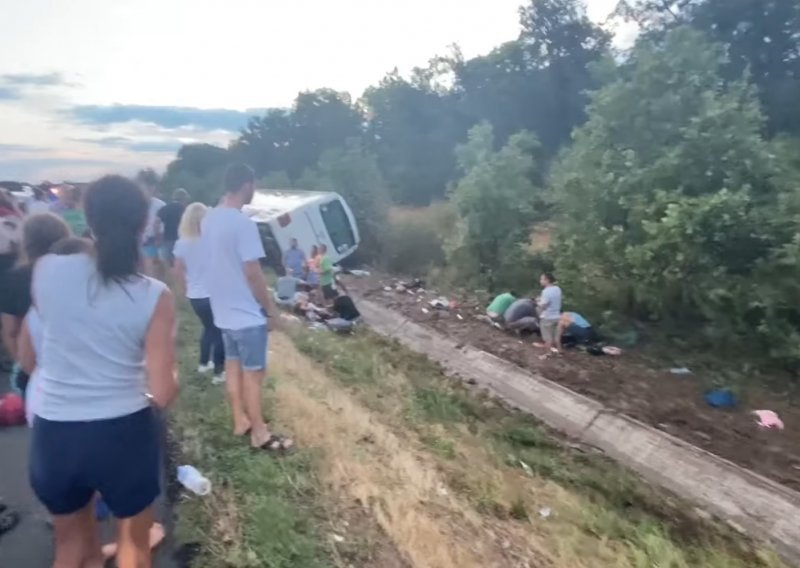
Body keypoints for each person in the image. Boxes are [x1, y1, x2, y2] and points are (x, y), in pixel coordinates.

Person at [27, 175, 178, 568]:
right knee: (134, 547)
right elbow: (162, 390)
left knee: (69, 547)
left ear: (87, 217)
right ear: (144, 223)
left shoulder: (45, 270)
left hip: (54, 430)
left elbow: (55, 333)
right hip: (121, 432)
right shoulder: (153, 295)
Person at [201, 163, 292, 452]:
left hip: (223, 313)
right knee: (253, 375)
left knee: (233, 368)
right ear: (247, 185)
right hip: (246, 315)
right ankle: (260, 433)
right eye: (254, 185)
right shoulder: (243, 224)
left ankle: (240, 420)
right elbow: (253, 273)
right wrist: (270, 311)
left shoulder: (208, 220)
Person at [0, 214, 70, 396]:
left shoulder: (14, 278)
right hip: (72, 360)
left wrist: (23, 363)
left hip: (34, 364)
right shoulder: (74, 274)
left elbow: (10, 331)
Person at [173, 202, 225, 383]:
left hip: (195, 295)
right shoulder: (212, 241)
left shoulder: (182, 243)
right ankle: (219, 372)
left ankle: (204, 363)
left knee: (208, 328)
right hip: (214, 293)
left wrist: (186, 289)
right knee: (219, 331)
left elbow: (178, 271)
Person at [136, 169, 165, 279]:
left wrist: (159, 241)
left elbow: (162, 228)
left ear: (152, 189)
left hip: (154, 243)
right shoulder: (134, 204)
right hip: (137, 244)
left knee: (152, 275)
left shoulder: (160, 206)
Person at [156, 188, 189, 267]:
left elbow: (157, 223)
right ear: (184, 199)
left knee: (167, 265)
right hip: (181, 240)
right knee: (178, 265)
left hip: (167, 239)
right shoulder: (185, 209)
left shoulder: (165, 208)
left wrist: (158, 237)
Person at [536, 273, 562, 353]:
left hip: (547, 317)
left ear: (547, 280)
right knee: (556, 337)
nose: (540, 281)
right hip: (557, 316)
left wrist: (537, 302)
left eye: (542, 279)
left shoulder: (546, 291)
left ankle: (548, 354)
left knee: (548, 338)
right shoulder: (557, 289)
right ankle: (560, 352)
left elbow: (543, 305)